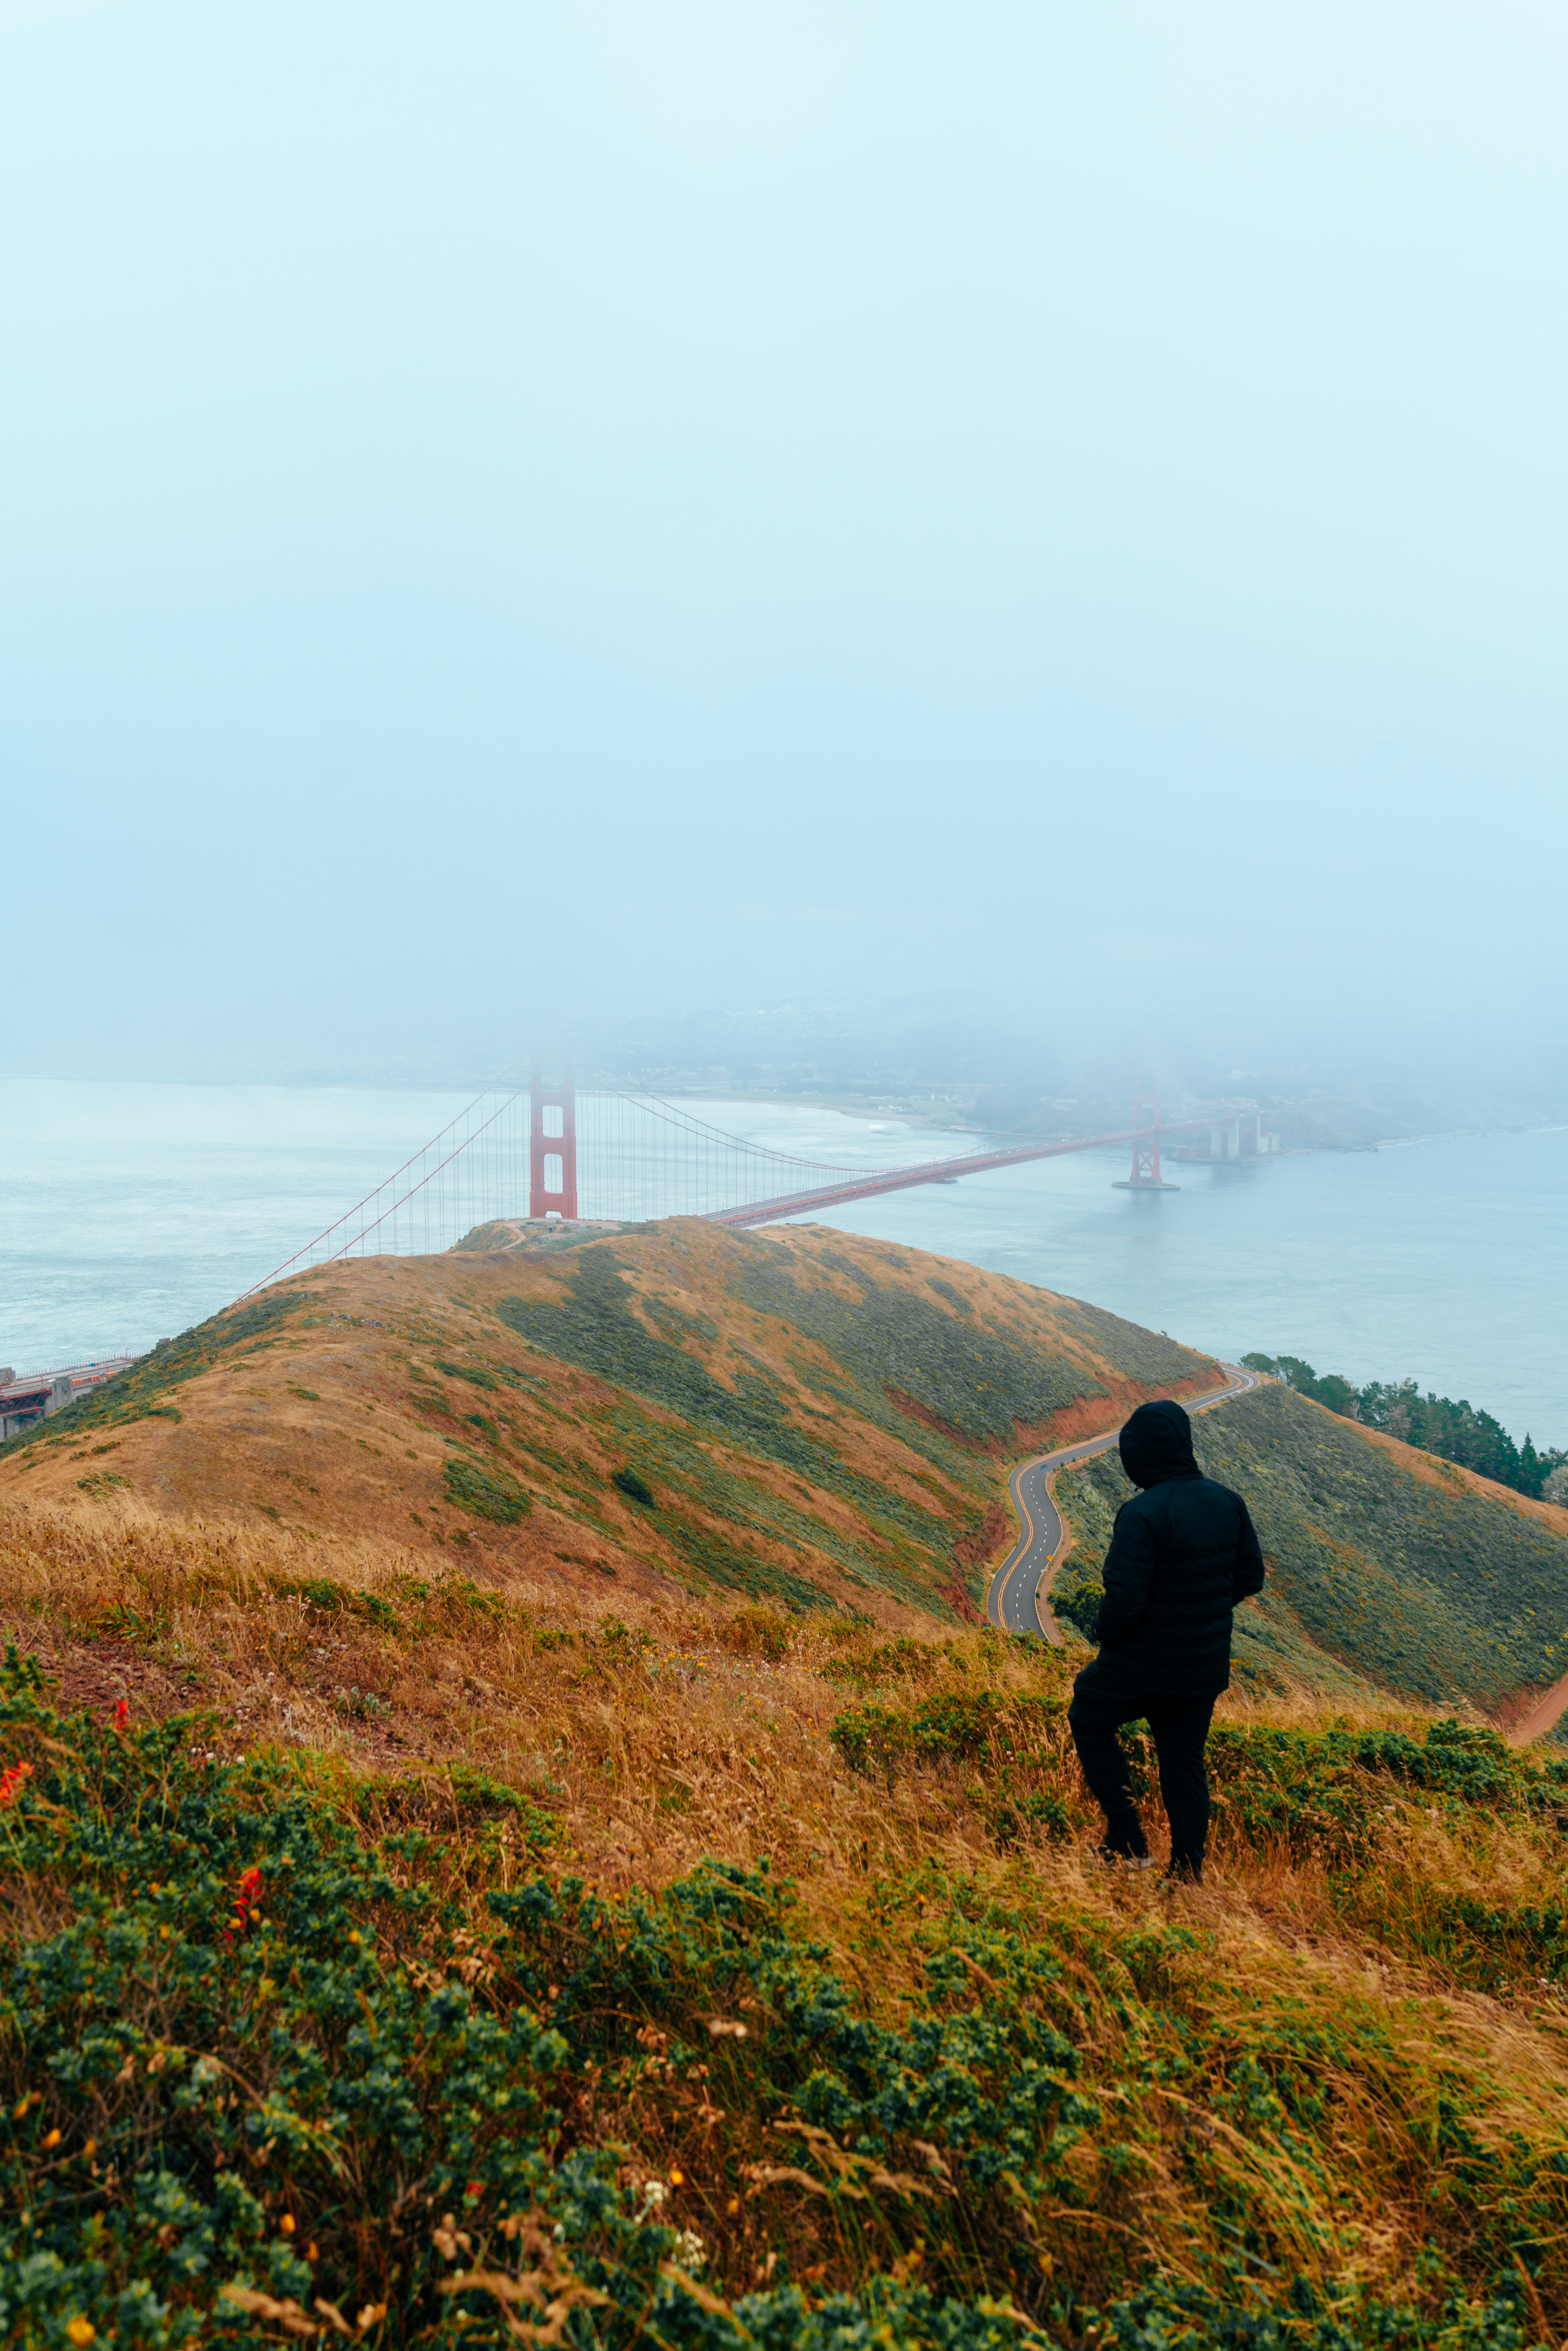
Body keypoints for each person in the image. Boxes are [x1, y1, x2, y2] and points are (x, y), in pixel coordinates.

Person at [1067, 1397, 1265, 1884]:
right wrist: (1202, 1612)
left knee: (1088, 1716)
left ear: (1140, 1455)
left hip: (1142, 1663)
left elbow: (1124, 1602)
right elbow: (1251, 1577)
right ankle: (1187, 1873)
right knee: (1182, 1762)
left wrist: (1106, 1637)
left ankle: (1128, 1841)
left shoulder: (1142, 1514)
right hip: (1202, 1663)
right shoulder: (1227, 1501)